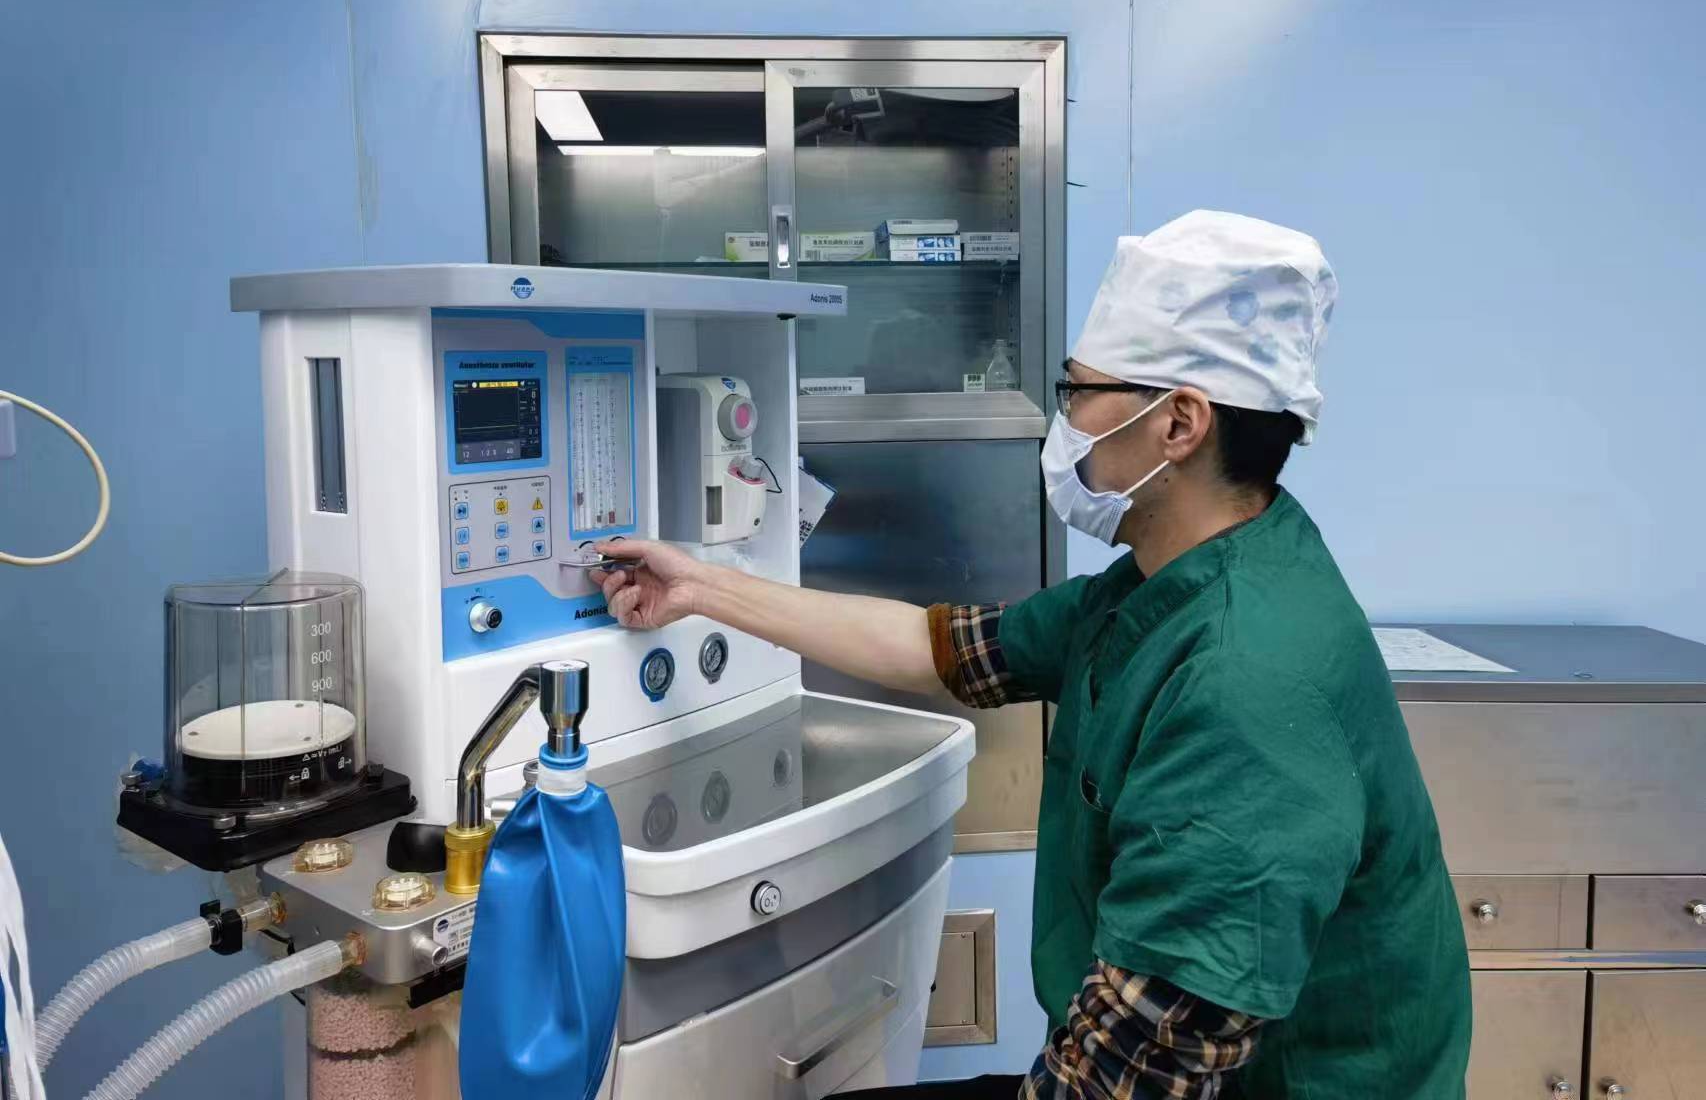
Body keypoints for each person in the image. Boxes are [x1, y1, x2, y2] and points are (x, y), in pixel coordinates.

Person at [592, 210, 1472, 1098]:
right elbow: (939, 649)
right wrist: (700, 588)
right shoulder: (1175, 579)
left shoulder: (1244, 689)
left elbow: (1123, 1078)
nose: (1065, 422)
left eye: (1077, 392)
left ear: (1179, 424)